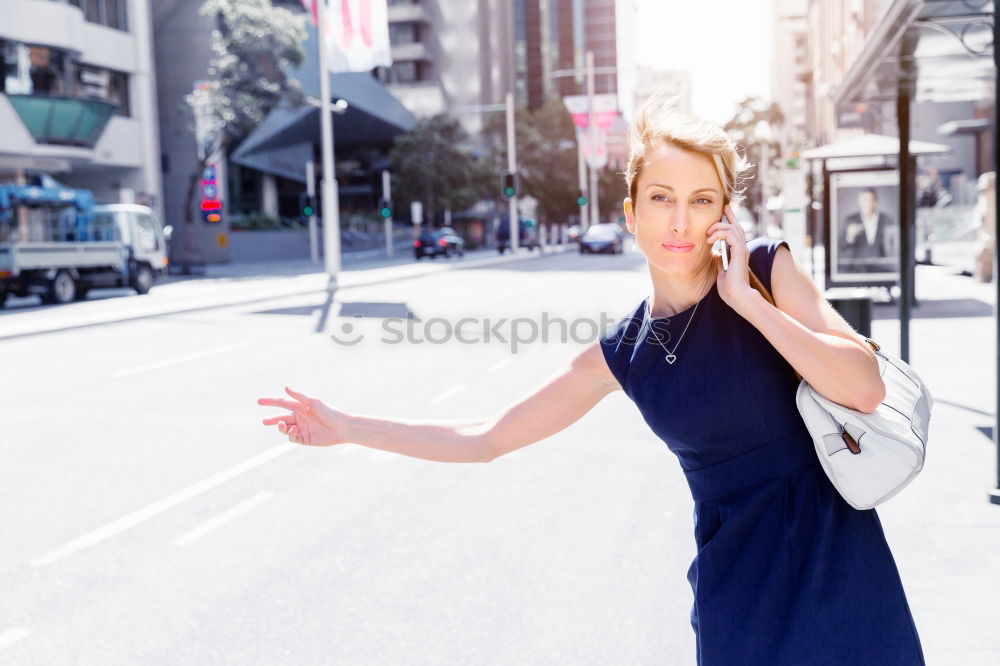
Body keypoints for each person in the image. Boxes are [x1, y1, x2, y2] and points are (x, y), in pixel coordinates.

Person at [257, 95, 925, 665]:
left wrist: (749, 305)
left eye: (701, 200)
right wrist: (347, 428)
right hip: (739, 587)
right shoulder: (622, 352)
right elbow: (487, 436)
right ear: (631, 214)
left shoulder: (762, 271)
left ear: (724, 213)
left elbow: (863, 386)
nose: (680, 220)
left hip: (840, 561)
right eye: (662, 199)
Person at [838, 188, 898, 273]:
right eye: (863, 200)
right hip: (857, 270)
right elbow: (841, 245)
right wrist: (849, 236)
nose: (866, 204)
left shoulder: (887, 220)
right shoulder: (850, 220)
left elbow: (895, 246)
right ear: (859, 202)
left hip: (883, 269)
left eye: (869, 200)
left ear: (875, 202)